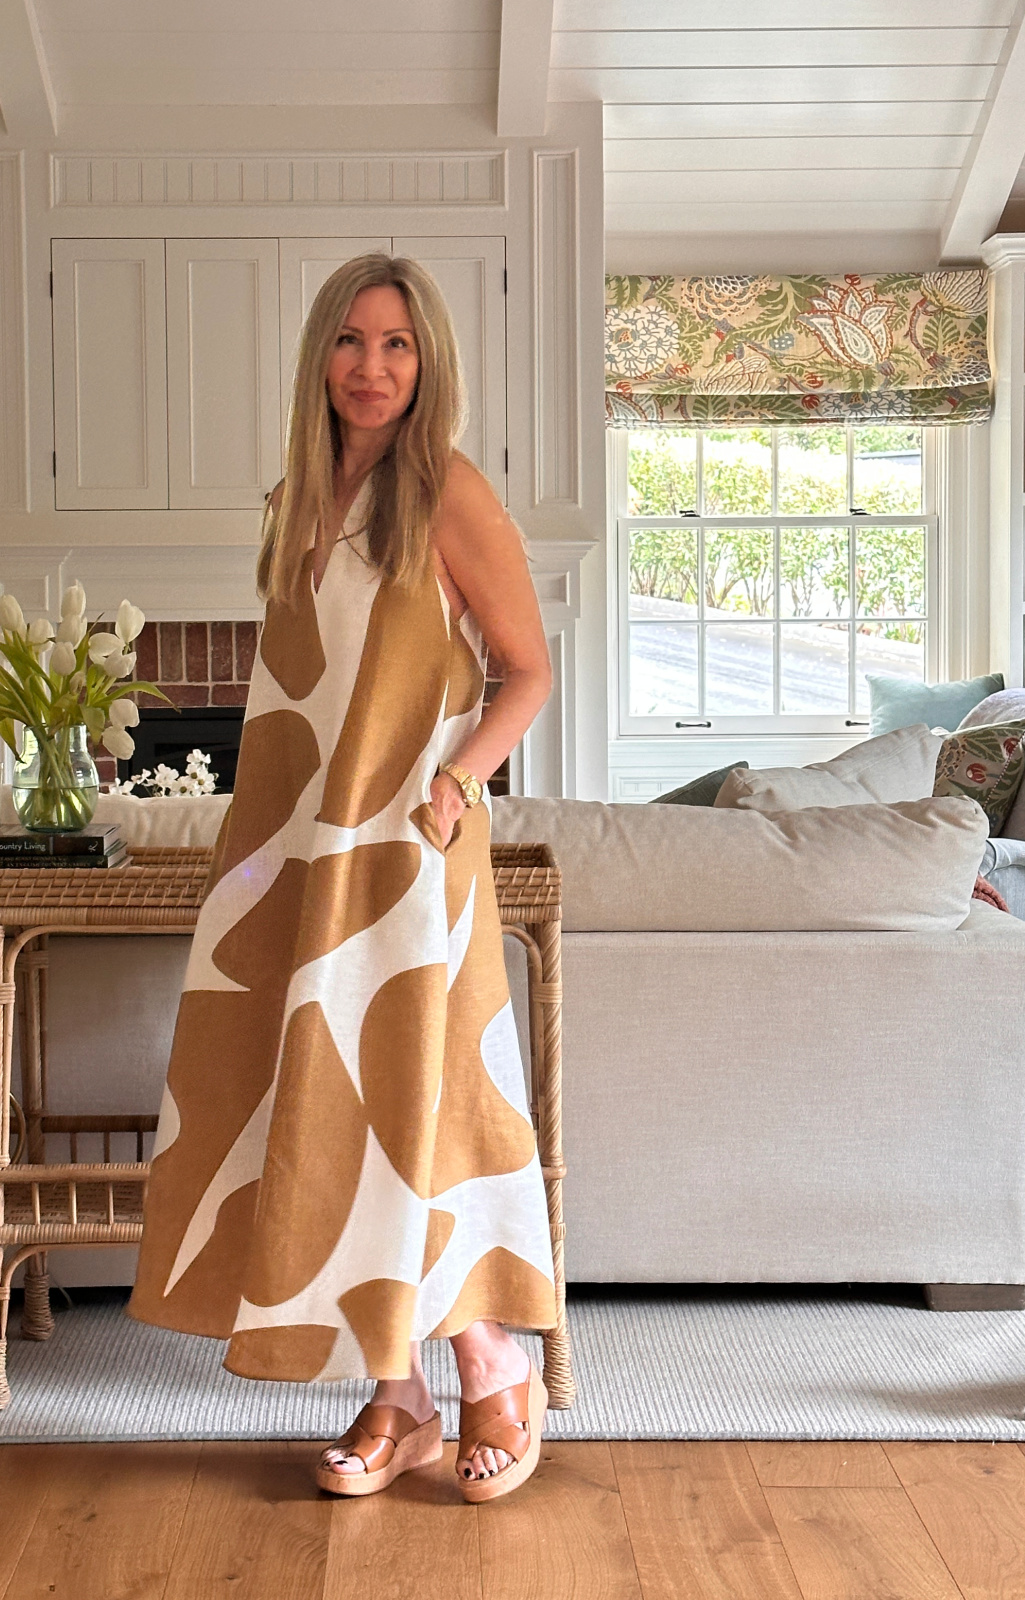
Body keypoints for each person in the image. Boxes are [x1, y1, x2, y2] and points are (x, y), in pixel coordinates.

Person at [128, 253, 558, 1504]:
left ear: (428, 366)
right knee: (326, 1108)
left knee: (421, 1106)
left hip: (412, 848)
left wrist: (456, 783)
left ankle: (492, 1365)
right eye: (353, 341)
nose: (373, 366)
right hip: (297, 852)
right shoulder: (293, 503)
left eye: (398, 344)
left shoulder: (449, 492)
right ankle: (398, 1394)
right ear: (320, 355)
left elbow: (527, 668)